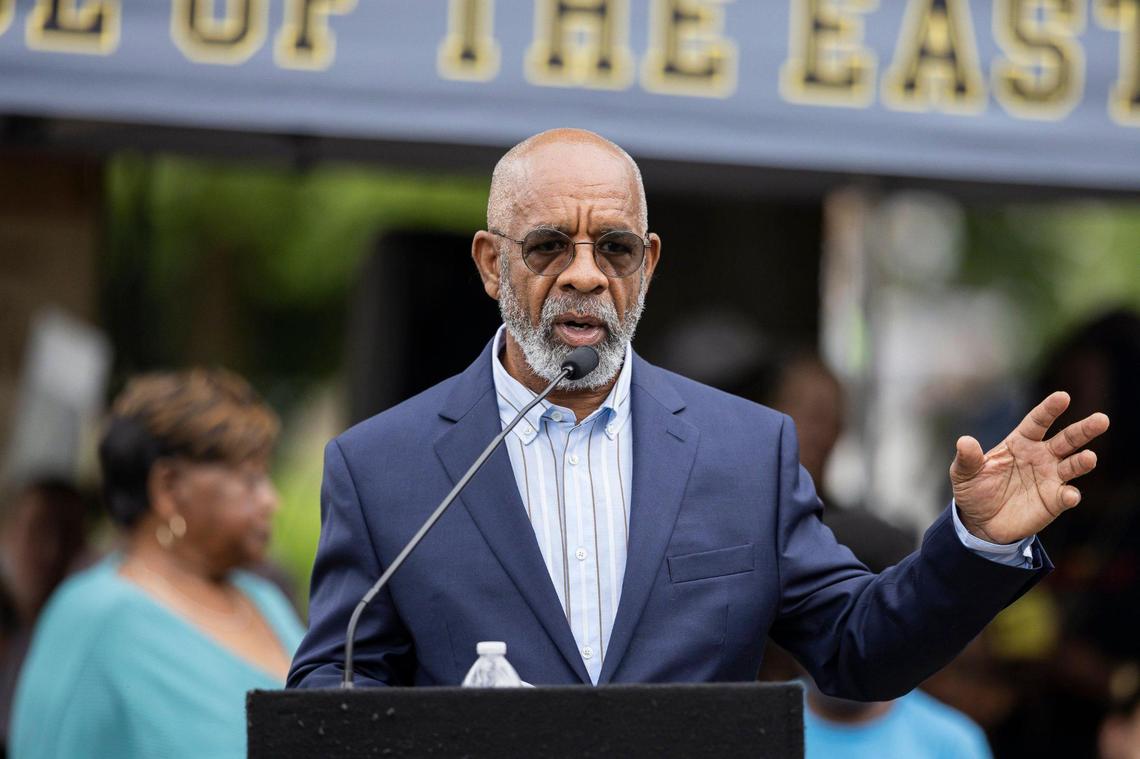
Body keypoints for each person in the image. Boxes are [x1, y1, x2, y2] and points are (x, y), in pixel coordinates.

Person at [288, 128, 1109, 694]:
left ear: (645, 265)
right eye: (547, 247)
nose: (583, 274)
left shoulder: (744, 450)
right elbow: (335, 686)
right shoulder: (382, 465)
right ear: (490, 263)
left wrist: (976, 545)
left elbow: (861, 651)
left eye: (612, 247)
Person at [10, 369, 304, 759]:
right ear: (167, 488)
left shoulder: (263, 599)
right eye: (250, 479)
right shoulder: (93, 615)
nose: (270, 501)